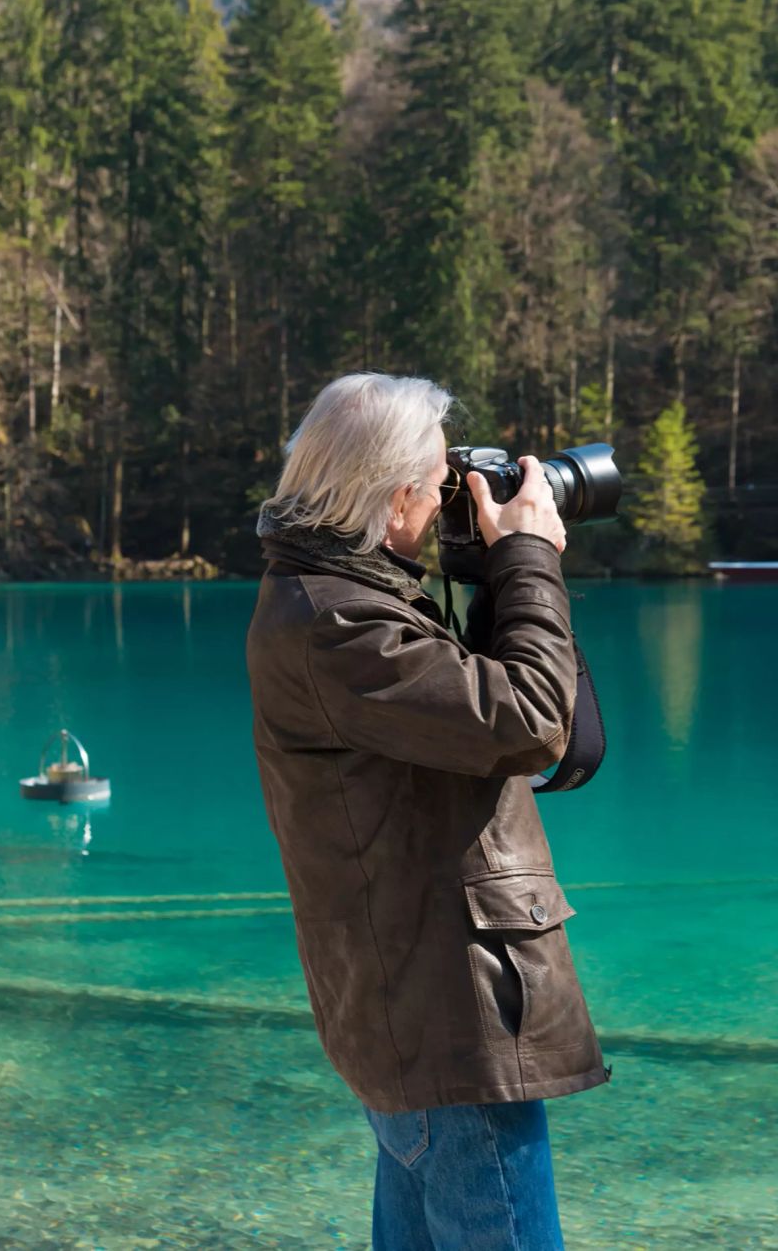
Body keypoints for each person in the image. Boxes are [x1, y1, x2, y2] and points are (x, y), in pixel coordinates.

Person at [246, 373, 610, 1251]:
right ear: (396, 494)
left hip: (415, 1005)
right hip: (452, 1013)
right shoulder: (336, 624)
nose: (452, 494)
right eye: (440, 479)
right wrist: (529, 557)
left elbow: (477, 717)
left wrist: (491, 576)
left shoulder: (335, 595)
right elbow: (527, 720)